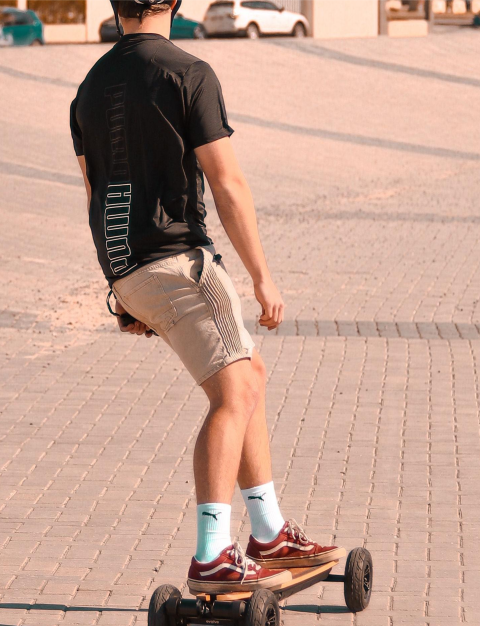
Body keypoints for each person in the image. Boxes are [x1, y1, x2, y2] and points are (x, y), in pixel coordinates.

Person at [70, 0, 344, 594]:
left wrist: (122, 291)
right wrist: (262, 277)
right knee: (236, 390)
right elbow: (226, 183)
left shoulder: (89, 87)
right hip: (178, 262)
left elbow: (95, 191)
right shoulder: (187, 72)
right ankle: (214, 553)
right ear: (174, 3)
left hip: (126, 268)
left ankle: (269, 533)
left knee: (248, 376)